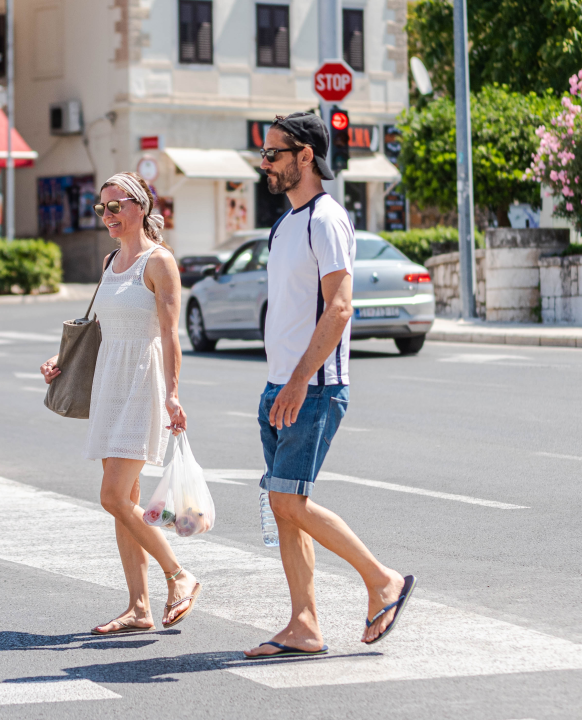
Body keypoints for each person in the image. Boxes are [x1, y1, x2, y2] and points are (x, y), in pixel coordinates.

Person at [243, 112, 416, 659]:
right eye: (264, 154)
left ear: (305, 157)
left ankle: (382, 579)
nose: (264, 163)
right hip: (282, 385)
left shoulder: (326, 218)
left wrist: (297, 383)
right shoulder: (284, 224)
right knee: (285, 504)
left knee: (287, 498)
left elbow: (340, 308)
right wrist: (279, 384)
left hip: (313, 387)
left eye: (273, 154)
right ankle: (304, 624)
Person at [40, 172, 201, 635]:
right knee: (124, 500)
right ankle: (139, 607)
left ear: (141, 208)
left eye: (116, 207)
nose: (107, 216)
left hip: (142, 382)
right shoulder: (110, 261)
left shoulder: (159, 262)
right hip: (110, 381)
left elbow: (171, 335)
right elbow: (100, 326)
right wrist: (60, 359)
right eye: (101, 208)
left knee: (112, 495)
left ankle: (180, 575)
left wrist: (173, 392)